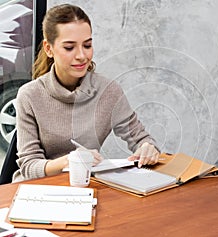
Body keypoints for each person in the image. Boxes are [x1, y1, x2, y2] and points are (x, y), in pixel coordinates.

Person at [12, 4, 160, 182]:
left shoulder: (108, 91)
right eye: (69, 48)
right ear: (49, 49)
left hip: (84, 185)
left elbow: (142, 139)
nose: (82, 55)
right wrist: (70, 160)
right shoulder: (29, 95)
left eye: (87, 45)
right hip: (37, 190)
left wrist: (147, 148)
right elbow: (29, 166)